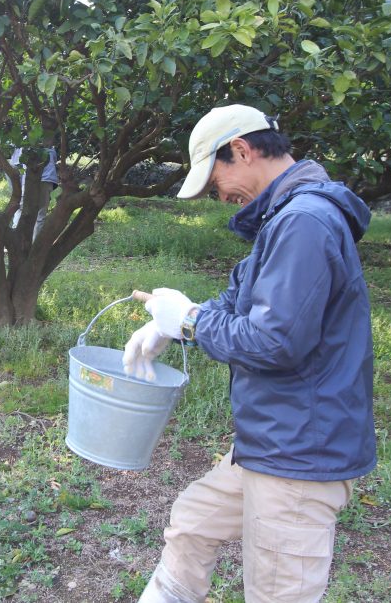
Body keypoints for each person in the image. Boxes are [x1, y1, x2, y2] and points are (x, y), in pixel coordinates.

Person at [123, 104, 377, 603]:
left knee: (278, 591)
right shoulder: (286, 216)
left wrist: (192, 322)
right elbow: (243, 302)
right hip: (271, 440)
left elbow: (274, 341)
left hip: (297, 453)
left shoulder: (304, 221)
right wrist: (172, 325)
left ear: (240, 150)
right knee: (193, 523)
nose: (220, 196)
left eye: (215, 180)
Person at [9, 144, 59, 240]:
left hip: (30, 181)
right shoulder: (49, 143)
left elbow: (15, 164)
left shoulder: (24, 143)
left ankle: (17, 240)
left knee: (21, 209)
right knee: (40, 214)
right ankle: (34, 243)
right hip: (46, 181)